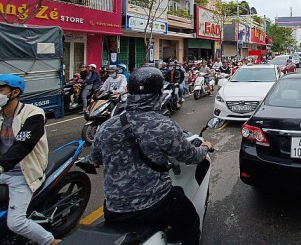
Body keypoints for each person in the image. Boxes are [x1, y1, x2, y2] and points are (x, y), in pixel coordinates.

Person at [89, 67, 213, 245]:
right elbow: (191, 156)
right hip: (154, 204)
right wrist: (205, 147)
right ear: (158, 94)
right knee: (191, 222)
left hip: (114, 209)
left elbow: (95, 158)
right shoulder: (163, 126)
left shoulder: (108, 126)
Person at [0, 75, 61, 245]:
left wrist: (2, 165)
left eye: (0, 90)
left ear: (15, 92)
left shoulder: (33, 113)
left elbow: (23, 145)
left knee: (16, 223)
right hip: (4, 169)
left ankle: (50, 241)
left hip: (23, 173)